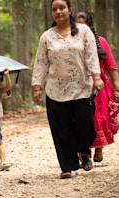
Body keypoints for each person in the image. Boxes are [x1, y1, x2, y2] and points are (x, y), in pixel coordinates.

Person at [31, 0, 104, 179]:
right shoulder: (46, 37)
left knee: (84, 123)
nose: (58, 12)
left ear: (69, 10)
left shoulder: (83, 31)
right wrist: (37, 86)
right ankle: (67, 166)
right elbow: (41, 61)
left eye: (62, 8)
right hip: (56, 89)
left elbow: (91, 55)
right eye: (54, 9)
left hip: (82, 87)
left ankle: (83, 149)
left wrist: (96, 77)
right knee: (61, 129)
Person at [75, 11, 119, 162]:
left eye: (84, 25)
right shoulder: (70, 43)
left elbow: (111, 66)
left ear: (91, 26)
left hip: (99, 87)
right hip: (78, 86)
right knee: (80, 119)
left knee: (99, 118)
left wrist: (117, 87)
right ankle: (83, 151)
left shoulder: (101, 42)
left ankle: (99, 148)